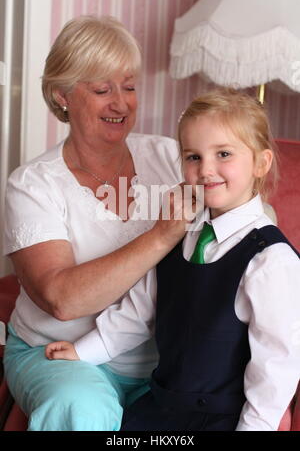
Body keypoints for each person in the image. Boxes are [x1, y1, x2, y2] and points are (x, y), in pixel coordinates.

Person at [46, 89, 300, 431]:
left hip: (222, 419)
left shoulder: (271, 259)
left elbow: (276, 365)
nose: (206, 169)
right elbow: (138, 313)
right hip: (160, 409)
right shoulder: (180, 232)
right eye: (193, 157)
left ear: (261, 163)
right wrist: (84, 351)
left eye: (223, 154)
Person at [3, 15, 198, 431]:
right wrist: (162, 234)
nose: (121, 103)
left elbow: (237, 205)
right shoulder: (32, 185)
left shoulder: (168, 158)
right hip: (57, 353)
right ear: (62, 96)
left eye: (128, 87)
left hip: (163, 360)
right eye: (101, 89)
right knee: (83, 408)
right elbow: (62, 299)